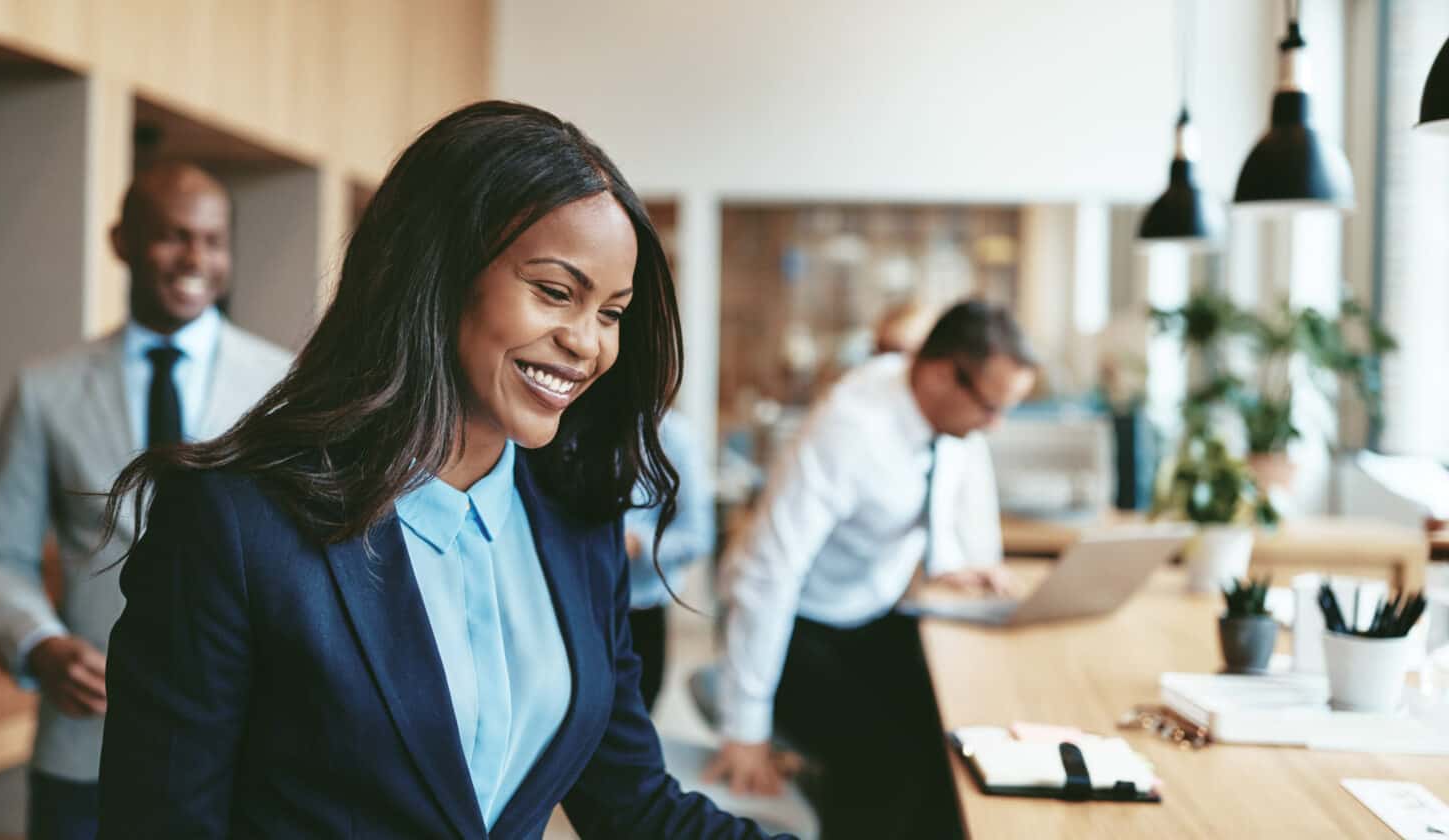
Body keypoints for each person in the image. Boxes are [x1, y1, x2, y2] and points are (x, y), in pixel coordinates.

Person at [94, 101, 787, 839]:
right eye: (556, 292)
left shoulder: (578, 525)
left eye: (612, 312)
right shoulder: (233, 526)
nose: (587, 343)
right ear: (439, 272)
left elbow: (635, 808)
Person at [0, 163, 293, 840]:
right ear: (122, 242)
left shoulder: (285, 386)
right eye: (173, 236)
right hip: (86, 741)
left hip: (249, 743)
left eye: (212, 239)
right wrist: (41, 643)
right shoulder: (45, 390)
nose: (195, 258)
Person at [704, 300, 1037, 839]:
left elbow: (945, 485)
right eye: (989, 407)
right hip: (797, 621)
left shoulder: (941, 414)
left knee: (956, 734)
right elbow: (768, 573)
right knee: (886, 767)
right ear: (940, 373)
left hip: (868, 609)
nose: (994, 426)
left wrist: (957, 562)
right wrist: (744, 728)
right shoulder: (851, 430)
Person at [625, 410, 715, 711]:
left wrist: (635, 542)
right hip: (575, 609)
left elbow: (697, 537)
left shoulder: (676, 439)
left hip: (639, 614)